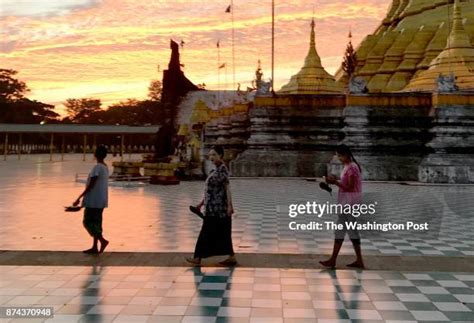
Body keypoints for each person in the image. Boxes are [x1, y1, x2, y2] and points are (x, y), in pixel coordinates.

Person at [186, 145, 236, 266]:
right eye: (210, 155)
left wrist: (230, 206)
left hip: (219, 209)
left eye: (214, 155)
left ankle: (197, 258)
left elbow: (227, 188)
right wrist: (200, 204)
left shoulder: (223, 170)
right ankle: (231, 256)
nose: (211, 157)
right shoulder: (214, 171)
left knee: (206, 233)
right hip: (211, 207)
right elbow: (210, 191)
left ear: (221, 156)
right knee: (223, 233)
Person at [320, 144, 364, 269]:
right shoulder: (349, 166)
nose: (339, 158)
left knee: (344, 231)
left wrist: (335, 182)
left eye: (340, 155)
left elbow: (349, 187)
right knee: (348, 231)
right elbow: (346, 183)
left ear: (346, 154)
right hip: (347, 203)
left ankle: (334, 260)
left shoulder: (352, 168)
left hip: (349, 204)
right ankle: (353, 260)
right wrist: (335, 180)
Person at [73, 145, 110, 254]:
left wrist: (79, 198)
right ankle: (95, 246)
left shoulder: (97, 167)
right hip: (101, 199)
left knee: (87, 222)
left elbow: (91, 185)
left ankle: (102, 241)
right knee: (96, 223)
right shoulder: (105, 166)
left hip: (94, 200)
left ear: (95, 155)